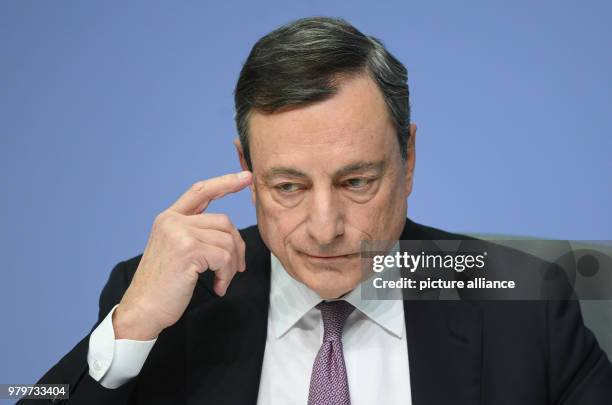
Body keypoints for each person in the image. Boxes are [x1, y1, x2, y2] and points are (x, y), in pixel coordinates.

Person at [20, 16, 612, 405]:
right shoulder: (166, 304)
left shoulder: (521, 298)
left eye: (356, 181)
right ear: (245, 169)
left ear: (408, 158)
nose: (326, 229)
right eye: (288, 187)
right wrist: (130, 329)